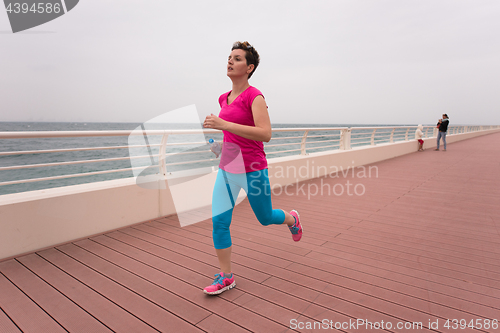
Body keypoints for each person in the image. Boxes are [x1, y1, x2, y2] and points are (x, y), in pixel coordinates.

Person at [202, 41, 303, 295]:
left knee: (265, 217)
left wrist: (223, 125)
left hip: (253, 169)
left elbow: (265, 134)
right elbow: (234, 135)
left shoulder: (254, 96)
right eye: (229, 57)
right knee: (219, 223)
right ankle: (226, 276)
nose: (230, 61)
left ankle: (292, 218)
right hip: (228, 169)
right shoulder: (223, 98)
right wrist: (222, 147)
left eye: (236, 59)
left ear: (249, 67)